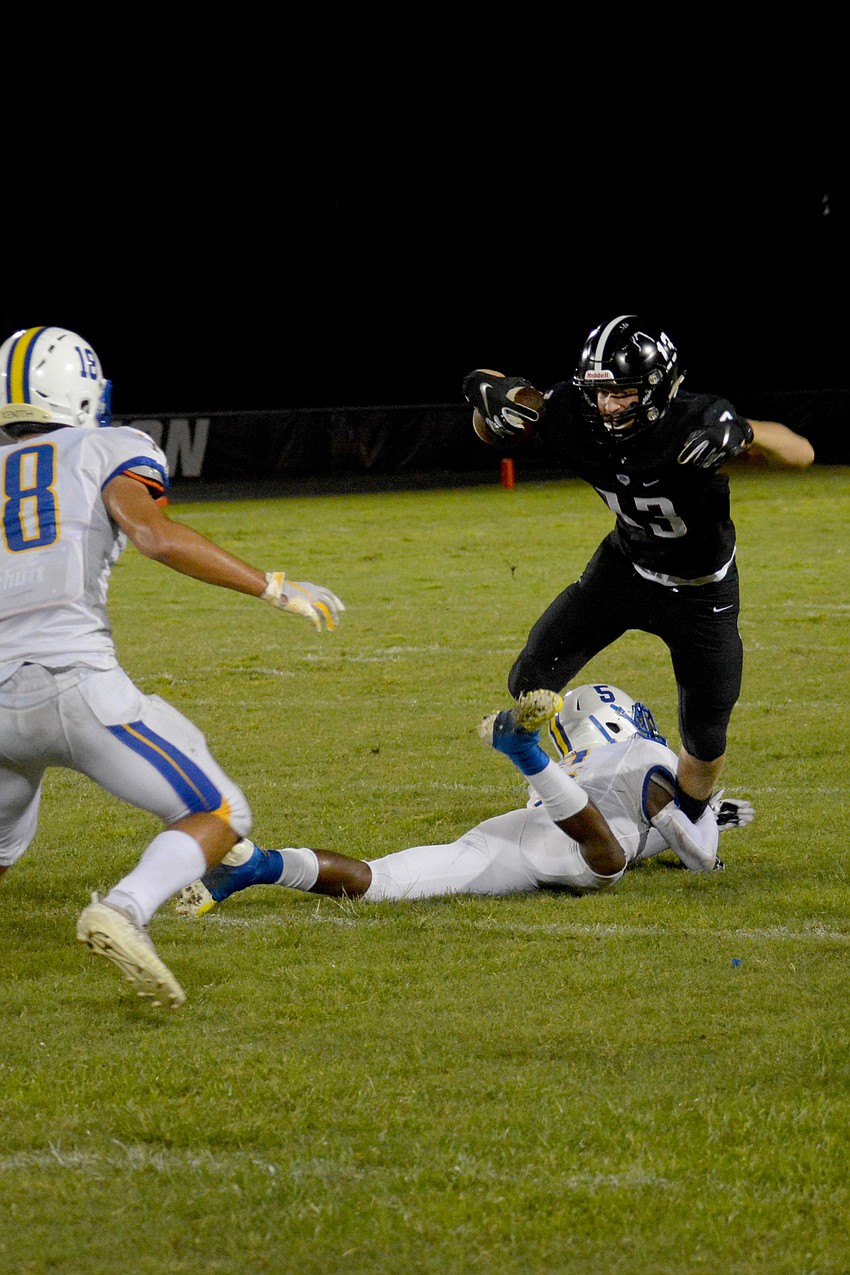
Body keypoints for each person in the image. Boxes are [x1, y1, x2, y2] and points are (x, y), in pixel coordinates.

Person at [0, 325, 345, 1009]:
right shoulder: (110, 444)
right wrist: (273, 586)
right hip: (72, 683)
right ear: (73, 386)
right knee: (219, 808)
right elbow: (154, 534)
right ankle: (124, 909)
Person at [461, 315, 814, 828]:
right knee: (529, 677)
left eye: (623, 393)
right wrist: (487, 402)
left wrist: (745, 434)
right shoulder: (573, 413)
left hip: (701, 593)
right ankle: (551, 776)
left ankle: (693, 818)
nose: (607, 406)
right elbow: (500, 410)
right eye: (600, 392)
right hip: (623, 570)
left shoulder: (699, 421)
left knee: (706, 732)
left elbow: (800, 452)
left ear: (659, 386)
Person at [175, 683, 754, 916]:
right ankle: (521, 749)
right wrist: (713, 848)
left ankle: (258, 865)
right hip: (581, 848)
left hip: (521, 837)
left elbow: (655, 825)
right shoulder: (650, 756)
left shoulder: (579, 764)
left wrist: (708, 822)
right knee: (608, 857)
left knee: (382, 884)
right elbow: (685, 843)